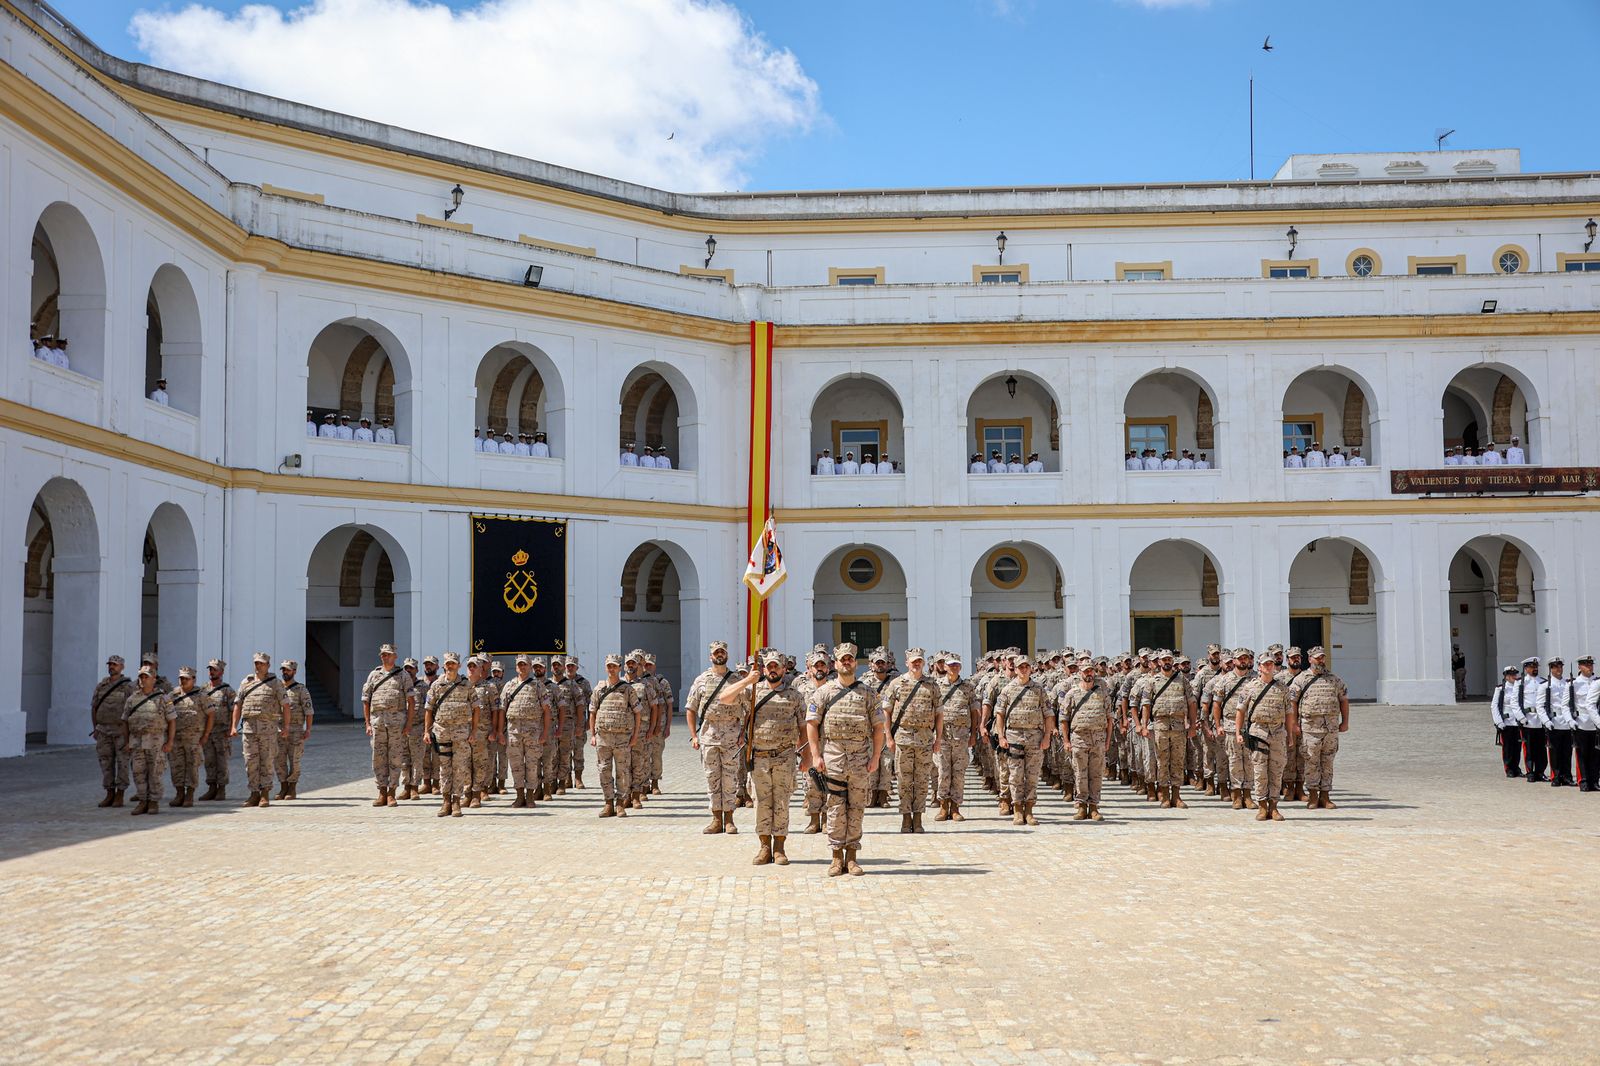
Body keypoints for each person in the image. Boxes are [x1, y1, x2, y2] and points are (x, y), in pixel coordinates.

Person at [718, 649, 804, 865]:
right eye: (769, 666)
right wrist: (748, 680)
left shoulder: (794, 695)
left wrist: (808, 756)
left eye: (776, 666)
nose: (772, 669)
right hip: (760, 757)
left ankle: (780, 848)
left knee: (782, 802)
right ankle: (765, 847)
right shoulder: (753, 691)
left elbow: (803, 727)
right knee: (762, 803)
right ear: (764, 669)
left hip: (784, 756)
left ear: (784, 669)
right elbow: (724, 698)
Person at [805, 642, 885, 876]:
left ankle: (852, 857)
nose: (847, 662)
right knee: (835, 807)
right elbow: (812, 724)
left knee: (857, 807)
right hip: (834, 758)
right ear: (835, 664)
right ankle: (836, 857)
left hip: (860, 759)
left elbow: (878, 727)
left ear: (856, 662)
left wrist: (876, 756)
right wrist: (816, 755)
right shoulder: (824, 692)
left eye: (850, 659)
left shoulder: (868, 693)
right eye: (842, 659)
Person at [882, 648, 941, 834]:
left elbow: (939, 714)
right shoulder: (896, 684)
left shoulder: (932, 685)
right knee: (903, 780)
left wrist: (938, 739)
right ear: (907, 662)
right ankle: (906, 818)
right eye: (913, 661)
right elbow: (886, 712)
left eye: (919, 661)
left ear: (923, 663)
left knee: (922, 780)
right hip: (903, 739)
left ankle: (918, 818)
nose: (916, 664)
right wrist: (889, 738)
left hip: (924, 740)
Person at [1232, 654, 1297, 822]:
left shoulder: (1282, 688)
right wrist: (1238, 733)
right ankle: (1262, 806)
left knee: (1276, 772)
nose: (1268, 667)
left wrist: (1290, 735)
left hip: (1277, 733)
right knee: (1260, 771)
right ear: (1259, 667)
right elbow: (1240, 711)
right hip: (1258, 733)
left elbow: (1289, 713)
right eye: (1265, 664)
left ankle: (1274, 807)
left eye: (1271, 664)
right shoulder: (1249, 687)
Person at [996, 656, 1052, 827]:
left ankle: (1029, 810)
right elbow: (1000, 714)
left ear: (1031, 669)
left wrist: (1047, 737)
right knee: (1015, 776)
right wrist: (1001, 736)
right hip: (1014, 737)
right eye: (1021, 667)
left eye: (1026, 666)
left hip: (1035, 738)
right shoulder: (1007, 689)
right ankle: (1018, 809)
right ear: (1016, 669)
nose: (1023, 669)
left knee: (1033, 776)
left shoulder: (1039, 690)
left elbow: (1048, 714)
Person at [1290, 647, 1349, 809]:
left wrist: (1345, 722)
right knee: (1311, 763)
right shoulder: (1301, 679)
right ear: (1310, 659)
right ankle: (1313, 796)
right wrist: (1294, 724)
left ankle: (1326, 796)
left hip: (1330, 730)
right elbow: (1292, 702)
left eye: (1322, 657)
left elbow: (1343, 700)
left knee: (1328, 763)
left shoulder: (1334, 679)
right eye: (1317, 658)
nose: (1321, 660)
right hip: (1310, 730)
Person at [425, 651, 481, 818]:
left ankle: (456, 801)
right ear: (444, 665)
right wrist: (426, 732)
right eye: (448, 663)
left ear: (459, 665)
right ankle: (446, 801)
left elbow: (476, 708)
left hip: (461, 733)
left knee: (459, 767)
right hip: (441, 732)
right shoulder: (436, 685)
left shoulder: (466, 684)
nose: (450, 666)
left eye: (453, 663)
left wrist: (474, 731)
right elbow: (428, 710)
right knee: (444, 767)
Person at [230, 652, 289, 808]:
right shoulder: (246, 682)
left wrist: (286, 726)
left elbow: (286, 706)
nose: (258, 665)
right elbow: (238, 705)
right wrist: (233, 726)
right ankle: (254, 794)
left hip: (268, 729)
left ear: (268, 665)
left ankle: (265, 794)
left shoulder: (275, 683)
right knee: (250, 762)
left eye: (262, 663)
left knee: (267, 761)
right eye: (256, 663)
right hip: (249, 729)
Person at [1138, 650, 1196, 808]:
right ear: (1159, 662)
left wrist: (1192, 725)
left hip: (1178, 726)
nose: (1167, 662)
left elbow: (1191, 703)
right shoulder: (1152, 682)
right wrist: (1144, 726)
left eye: (1169, 659)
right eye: (1164, 660)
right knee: (1162, 761)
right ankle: (1164, 795)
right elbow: (1146, 705)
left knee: (1177, 761)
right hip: (1160, 726)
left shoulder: (1182, 680)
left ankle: (1176, 796)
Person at [588, 653, 642, 818]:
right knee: (604, 770)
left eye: (614, 666)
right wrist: (593, 735)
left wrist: (634, 736)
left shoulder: (627, 689)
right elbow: (592, 712)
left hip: (622, 738)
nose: (611, 669)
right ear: (606, 668)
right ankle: (608, 803)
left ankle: (620, 803)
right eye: (609, 666)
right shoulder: (599, 689)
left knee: (623, 772)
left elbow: (637, 713)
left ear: (620, 668)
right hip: (603, 737)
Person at [361, 643, 414, 807]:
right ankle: (381, 791)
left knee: (395, 757)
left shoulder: (403, 675)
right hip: (378, 723)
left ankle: (392, 792)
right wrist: (367, 723)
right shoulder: (374, 675)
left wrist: (409, 724)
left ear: (395, 656)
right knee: (378, 757)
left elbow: (411, 702)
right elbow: (366, 700)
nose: (385, 657)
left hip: (397, 724)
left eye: (388, 654)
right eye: (383, 654)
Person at [1061, 656, 1114, 821]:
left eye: (1091, 670)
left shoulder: (1103, 694)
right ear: (1080, 673)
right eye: (1085, 671)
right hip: (1079, 740)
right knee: (1080, 774)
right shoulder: (1072, 694)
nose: (1089, 673)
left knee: (1096, 774)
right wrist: (1066, 741)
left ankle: (1094, 807)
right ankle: (1081, 806)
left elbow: (1109, 719)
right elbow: (1064, 719)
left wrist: (1107, 741)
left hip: (1098, 740)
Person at [121, 666, 175, 816]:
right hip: (137, 741)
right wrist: (127, 741)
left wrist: (170, 741)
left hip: (156, 741)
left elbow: (172, 721)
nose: (143, 680)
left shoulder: (163, 699)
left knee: (155, 772)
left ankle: (153, 802)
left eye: (146, 677)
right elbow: (125, 721)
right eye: (141, 677)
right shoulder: (132, 699)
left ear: (153, 679)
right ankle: (142, 801)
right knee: (138, 771)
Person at [501, 654, 552, 809]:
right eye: (519, 665)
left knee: (531, 765)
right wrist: (499, 732)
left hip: (532, 732)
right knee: (516, 765)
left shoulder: (538, 686)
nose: (522, 667)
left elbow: (547, 711)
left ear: (530, 667)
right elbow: (502, 710)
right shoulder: (509, 686)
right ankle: (519, 796)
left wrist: (545, 733)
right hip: (513, 732)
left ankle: (530, 796)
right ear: (516, 667)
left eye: (525, 665)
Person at [933, 651, 977, 822]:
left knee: (958, 773)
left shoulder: (967, 687)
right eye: (950, 665)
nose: (954, 667)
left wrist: (974, 734)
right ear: (944, 666)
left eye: (957, 664)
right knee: (943, 772)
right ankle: (943, 806)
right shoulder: (937, 686)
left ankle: (956, 808)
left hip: (961, 737)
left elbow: (974, 711)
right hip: (942, 736)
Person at [90, 654, 136, 808]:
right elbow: (95, 707)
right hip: (103, 730)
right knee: (105, 763)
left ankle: (120, 794)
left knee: (122, 762)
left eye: (115, 665)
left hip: (121, 731)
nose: (112, 667)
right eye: (110, 664)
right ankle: (109, 793)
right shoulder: (101, 686)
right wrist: (95, 727)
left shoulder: (129, 687)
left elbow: (133, 710)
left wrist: (130, 734)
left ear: (122, 667)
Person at [166, 666, 208, 808]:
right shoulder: (172, 696)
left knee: (192, 766)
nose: (183, 681)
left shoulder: (201, 695)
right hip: (176, 738)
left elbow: (211, 714)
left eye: (186, 678)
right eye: (181, 678)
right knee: (176, 766)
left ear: (193, 679)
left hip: (193, 738)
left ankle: (189, 794)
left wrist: (205, 735)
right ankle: (179, 794)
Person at [278, 659, 314, 800]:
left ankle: (292, 788)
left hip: (296, 730)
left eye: (287, 669)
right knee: (279, 760)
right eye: (283, 670)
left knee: (294, 760)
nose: (285, 672)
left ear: (294, 671)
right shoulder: (278, 688)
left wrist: (308, 729)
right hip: (279, 730)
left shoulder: (301, 690)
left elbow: (309, 711)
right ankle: (283, 787)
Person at [199, 659, 234, 801]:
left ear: (222, 672)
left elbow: (233, 710)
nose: (211, 672)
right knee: (209, 760)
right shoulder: (203, 690)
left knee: (222, 761)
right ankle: (211, 787)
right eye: (210, 669)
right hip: (208, 731)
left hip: (222, 731)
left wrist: (231, 728)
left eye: (214, 669)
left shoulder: (228, 690)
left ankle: (221, 789)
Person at [1542, 657, 1577, 787]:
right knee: (1555, 751)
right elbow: (1541, 706)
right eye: (1556, 667)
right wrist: (1546, 721)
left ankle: (1567, 776)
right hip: (1554, 721)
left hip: (1567, 722)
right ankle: (1556, 776)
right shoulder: (1546, 685)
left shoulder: (1569, 684)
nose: (1559, 669)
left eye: (1560, 666)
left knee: (1567, 752)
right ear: (1551, 668)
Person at [1490, 665, 1524, 778]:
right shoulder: (1500, 689)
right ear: (1506, 676)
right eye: (1511, 674)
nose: (1514, 676)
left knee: (1517, 747)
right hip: (1507, 722)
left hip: (1517, 722)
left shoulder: (1519, 687)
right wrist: (1498, 721)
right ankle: (1509, 768)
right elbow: (1494, 706)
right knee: (1508, 747)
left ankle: (1516, 768)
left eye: (1515, 674)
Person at [1517, 656, 1547, 782]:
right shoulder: (1521, 683)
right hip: (1528, 719)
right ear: (1526, 668)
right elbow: (1515, 702)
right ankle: (1530, 771)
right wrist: (1521, 718)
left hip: (1540, 720)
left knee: (1541, 748)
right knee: (1528, 748)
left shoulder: (1543, 682)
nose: (1534, 669)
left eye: (1536, 667)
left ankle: (1540, 772)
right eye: (1531, 667)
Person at [1573, 655, 1598, 790]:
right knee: (1582, 754)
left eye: (1591, 664)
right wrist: (1571, 721)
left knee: (1596, 755)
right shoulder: (1574, 684)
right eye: (1586, 665)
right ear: (1579, 667)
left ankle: (1594, 780)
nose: (1589, 667)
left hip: (1596, 724)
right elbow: (1567, 704)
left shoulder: (1597, 682)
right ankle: (1583, 780)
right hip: (1582, 723)